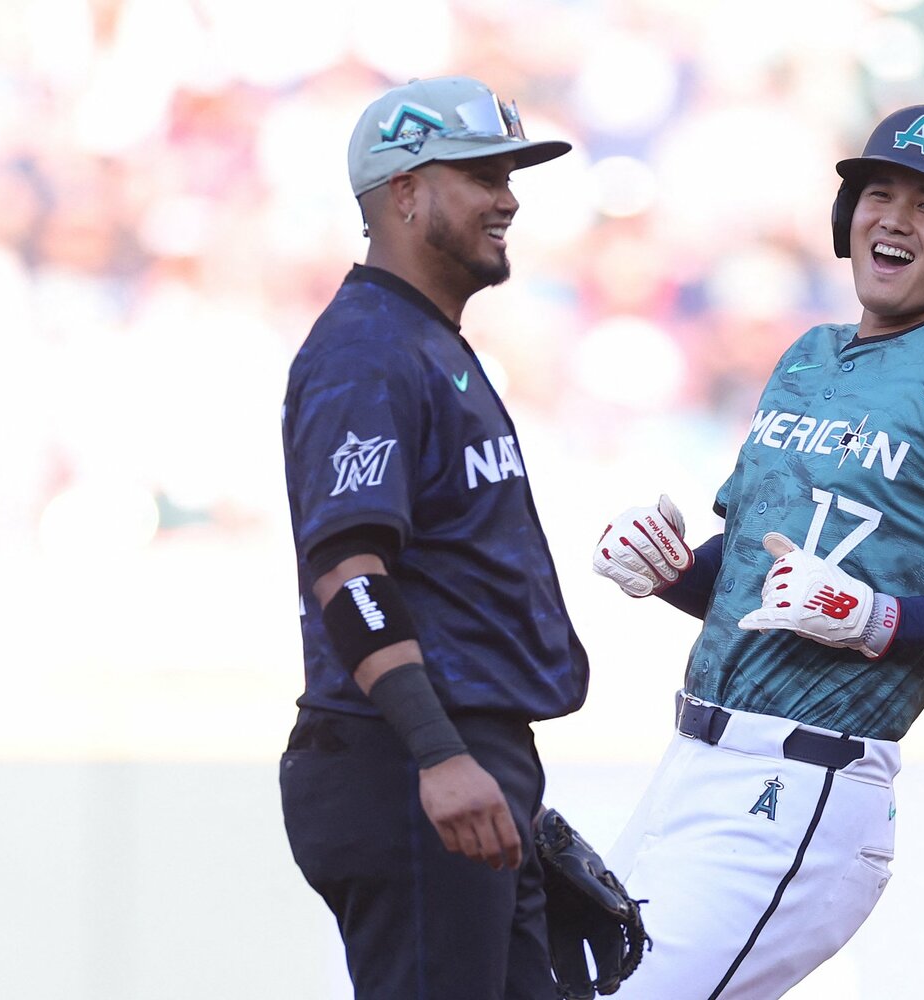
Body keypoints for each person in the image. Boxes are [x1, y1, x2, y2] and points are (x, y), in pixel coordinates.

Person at [592, 105, 924, 998]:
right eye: (879, 194)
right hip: (689, 764)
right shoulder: (807, 356)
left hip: (803, 788)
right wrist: (678, 570)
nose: (895, 219)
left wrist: (884, 619)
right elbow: (765, 585)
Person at [278, 75, 587, 1000]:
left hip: (462, 757)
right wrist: (439, 754)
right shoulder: (366, 349)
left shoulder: (424, 340)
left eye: (510, 174)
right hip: (403, 757)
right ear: (405, 192)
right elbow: (346, 570)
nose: (509, 197)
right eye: (481, 174)